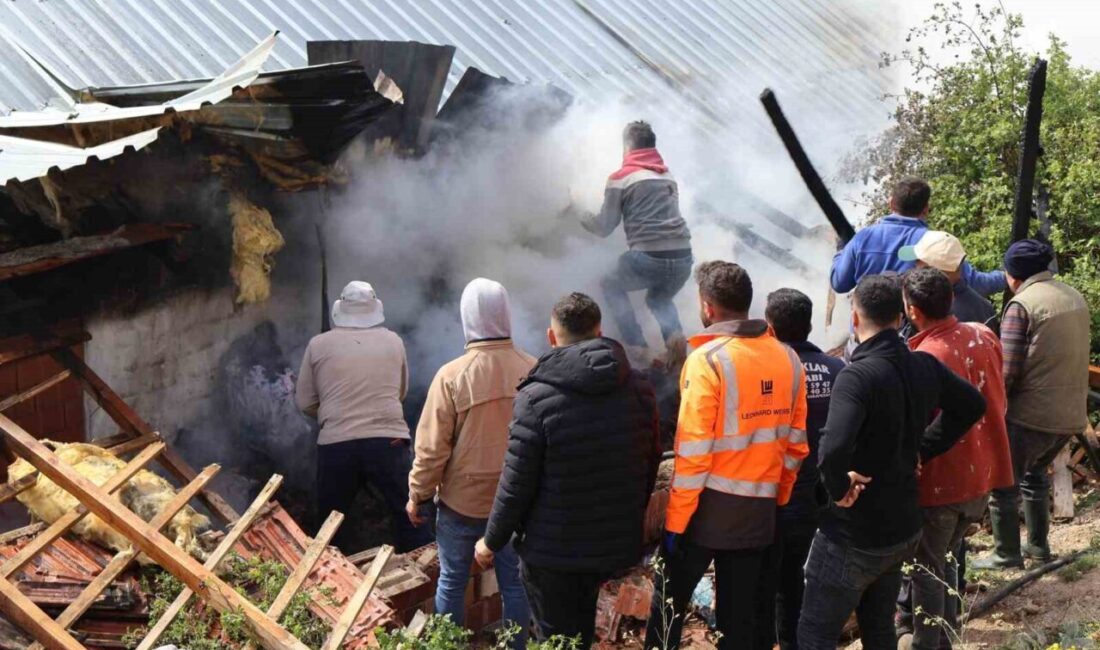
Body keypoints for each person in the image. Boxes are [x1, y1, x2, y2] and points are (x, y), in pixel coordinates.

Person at [799, 275, 986, 650]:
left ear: (854, 319)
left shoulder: (857, 376)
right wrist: (924, 449)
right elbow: (972, 405)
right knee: (878, 626)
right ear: (901, 317)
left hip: (855, 533)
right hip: (903, 527)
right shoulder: (923, 365)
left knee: (814, 634)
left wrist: (837, 490)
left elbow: (832, 450)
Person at [474, 293, 660, 647]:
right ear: (599, 331)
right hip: (614, 544)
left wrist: (490, 542)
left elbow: (516, 483)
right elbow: (650, 460)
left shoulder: (535, 397)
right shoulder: (638, 386)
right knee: (588, 632)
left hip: (552, 553)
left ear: (551, 336)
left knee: (555, 638)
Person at [645, 262, 809, 650]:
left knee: (667, 610)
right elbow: (796, 446)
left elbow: (694, 456)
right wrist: (776, 501)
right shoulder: (788, 359)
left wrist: (675, 523)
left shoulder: (707, 361)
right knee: (739, 621)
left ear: (707, 307)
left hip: (703, 514)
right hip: (757, 515)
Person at [406, 278, 534, 644]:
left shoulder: (451, 377)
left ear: (467, 319)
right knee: (516, 584)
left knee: (451, 580)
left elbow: (431, 451)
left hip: (460, 504)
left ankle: (449, 644)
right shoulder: (533, 368)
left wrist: (418, 494)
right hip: (515, 506)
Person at [899, 268, 1014, 650]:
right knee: (948, 559)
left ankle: (927, 644)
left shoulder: (925, 357)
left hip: (942, 481)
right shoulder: (983, 334)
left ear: (913, 311)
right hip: (984, 472)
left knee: (927, 569)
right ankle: (946, 637)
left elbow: (920, 425)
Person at [975, 239, 1090, 569]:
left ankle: (1006, 554)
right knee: (1035, 476)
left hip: (1032, 415)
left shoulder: (1022, 306)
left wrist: (986, 409)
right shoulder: (1073, 296)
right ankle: (1038, 548)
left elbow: (1006, 372)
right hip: (1070, 413)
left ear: (1012, 276)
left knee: (1003, 483)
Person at [295, 281, 433, 553]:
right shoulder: (394, 341)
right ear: (375, 310)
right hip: (389, 440)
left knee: (330, 525)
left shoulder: (318, 344)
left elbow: (305, 402)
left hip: (337, 443)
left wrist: (332, 417)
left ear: (341, 310)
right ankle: (426, 568)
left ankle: (330, 582)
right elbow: (400, 391)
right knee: (410, 514)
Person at [753, 288, 845, 650]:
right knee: (811, 581)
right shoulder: (838, 370)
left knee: (778, 585)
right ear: (809, 325)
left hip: (778, 499)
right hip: (828, 498)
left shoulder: (765, 374)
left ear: (770, 328)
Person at [580, 120, 693, 365]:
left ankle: (639, 348)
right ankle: (676, 344)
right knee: (659, 299)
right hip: (684, 258)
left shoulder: (621, 178)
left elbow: (604, 227)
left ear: (628, 146)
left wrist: (578, 214)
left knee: (610, 283)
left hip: (649, 258)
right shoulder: (667, 176)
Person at [830, 178, 1005, 297]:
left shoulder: (862, 238)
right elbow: (975, 283)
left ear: (891, 203)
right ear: (926, 209)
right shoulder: (934, 244)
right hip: (916, 337)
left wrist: (841, 251)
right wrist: (1008, 276)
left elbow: (839, 284)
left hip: (866, 338)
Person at [898, 230, 998, 333]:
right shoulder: (985, 309)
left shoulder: (929, 312)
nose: (915, 266)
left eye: (918, 261)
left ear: (932, 270)